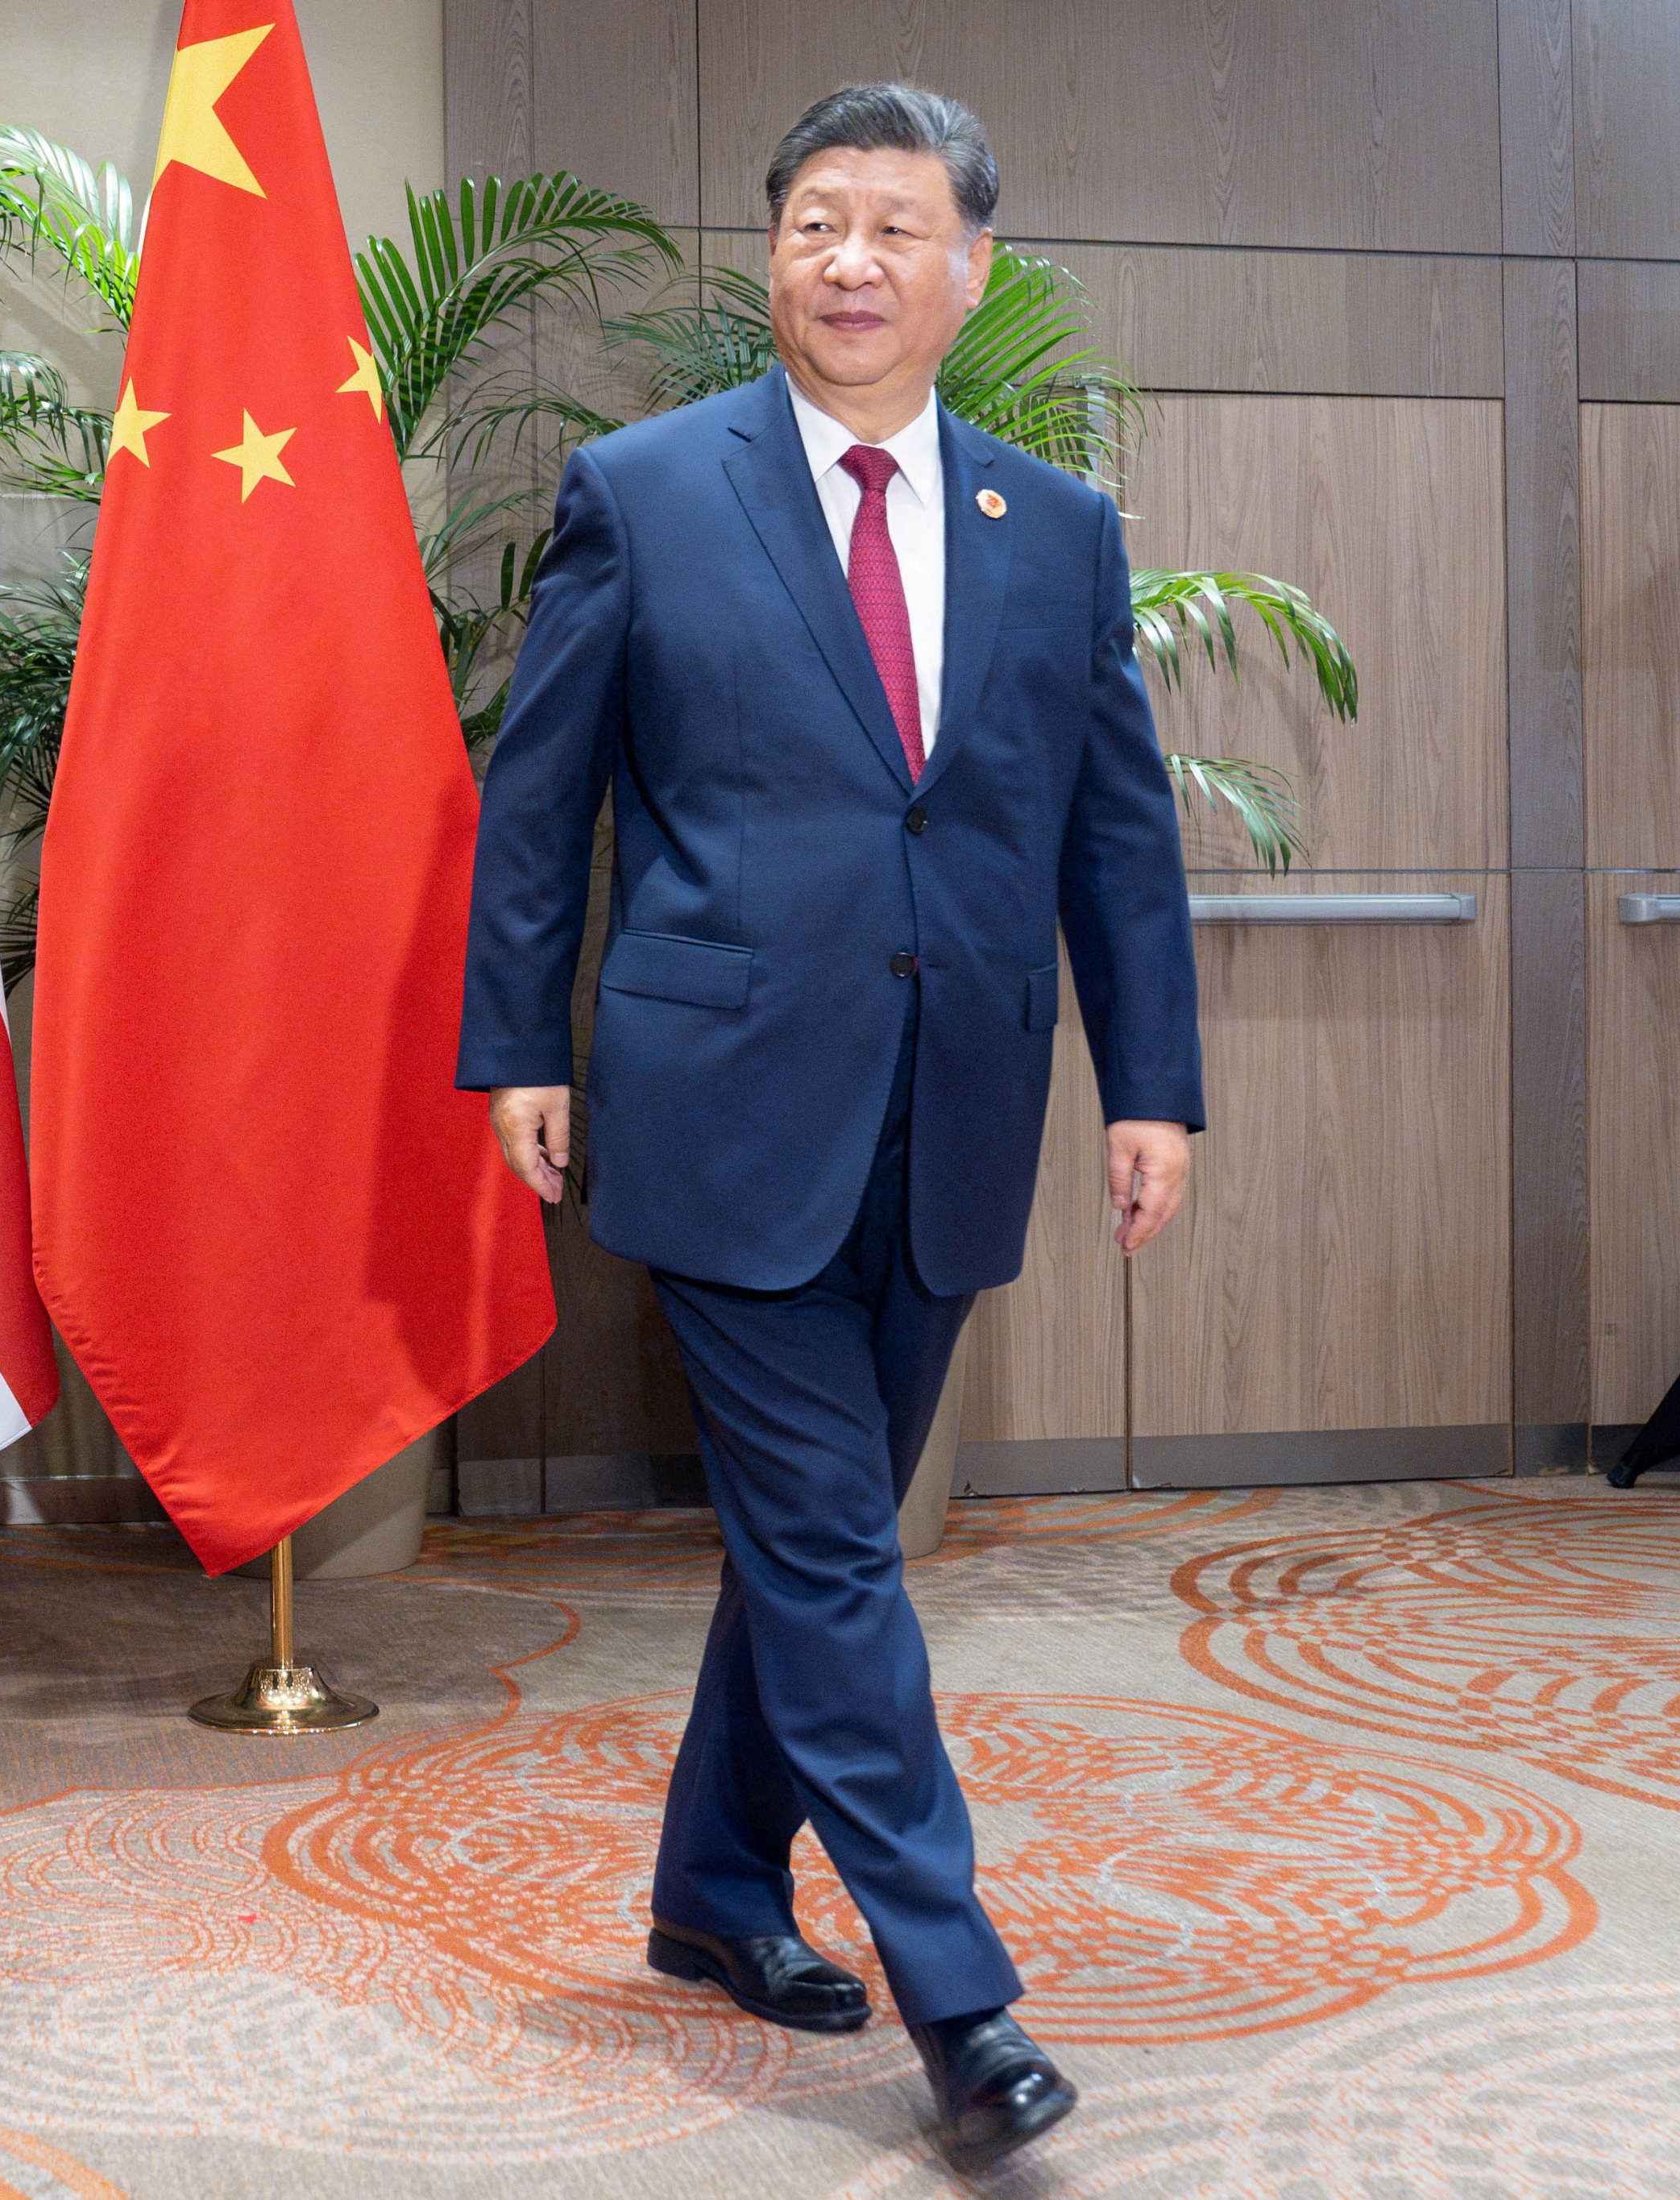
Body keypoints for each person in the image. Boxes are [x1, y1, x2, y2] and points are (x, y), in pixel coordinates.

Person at [458, 84, 1203, 2170]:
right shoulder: (643, 490)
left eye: (894, 227)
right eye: (813, 222)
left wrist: (1151, 1080)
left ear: (971, 268)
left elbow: (1112, 830)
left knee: (812, 1555)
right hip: (717, 1109)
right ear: (772, 255)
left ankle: (709, 1888)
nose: (849, 262)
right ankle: (958, 1995)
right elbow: (541, 805)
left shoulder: (1050, 531)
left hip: (952, 1107)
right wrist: (518, 1045)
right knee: (830, 1554)